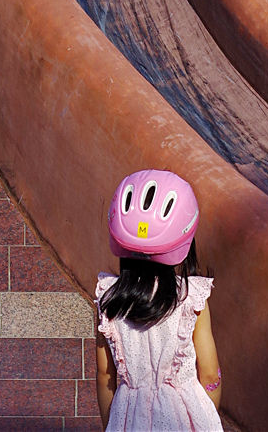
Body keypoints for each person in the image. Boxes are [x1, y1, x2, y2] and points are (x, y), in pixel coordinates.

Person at [95, 169, 223, 431]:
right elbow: (210, 374)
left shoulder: (108, 300)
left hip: (129, 418)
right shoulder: (190, 299)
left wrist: (112, 423)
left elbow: (105, 375)